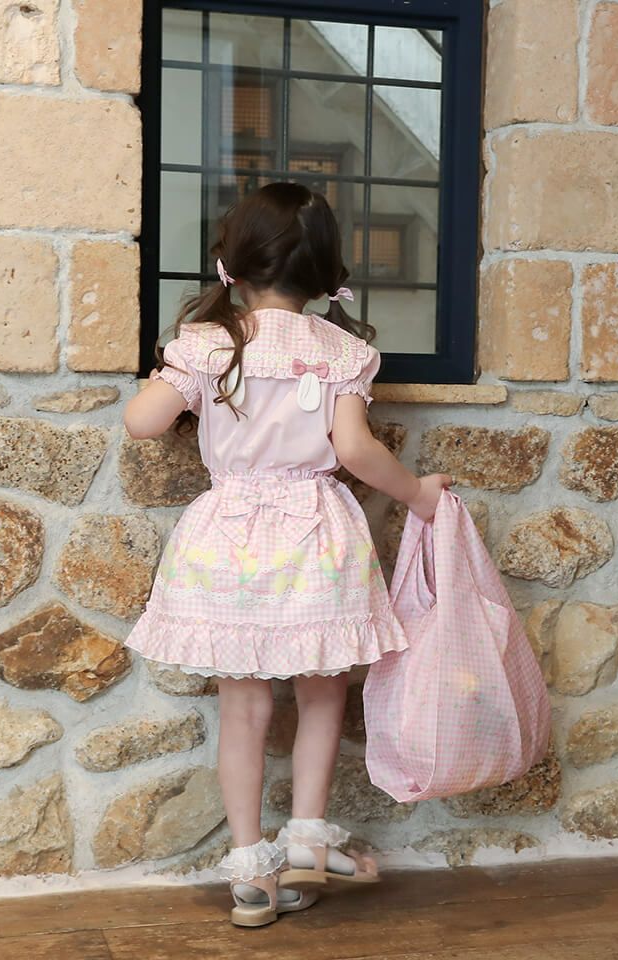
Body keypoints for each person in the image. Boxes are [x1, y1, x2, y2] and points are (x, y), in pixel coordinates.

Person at [124, 182, 451, 927]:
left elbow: (144, 423)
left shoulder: (208, 344)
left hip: (229, 536)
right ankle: (306, 839)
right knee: (324, 692)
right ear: (326, 272)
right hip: (317, 534)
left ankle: (249, 874)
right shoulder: (343, 351)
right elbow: (355, 451)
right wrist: (418, 495)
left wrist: (171, 381)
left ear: (232, 265)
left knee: (242, 708)